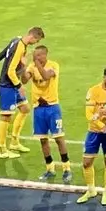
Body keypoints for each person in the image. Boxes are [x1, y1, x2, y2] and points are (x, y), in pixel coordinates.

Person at [0, 26, 45, 159]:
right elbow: (10, 71)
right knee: (6, 117)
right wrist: (19, 85)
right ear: (33, 37)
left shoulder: (17, 40)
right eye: (36, 41)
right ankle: (2, 149)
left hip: (13, 84)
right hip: (7, 85)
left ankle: (14, 142)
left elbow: (4, 52)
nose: (35, 44)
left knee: (25, 109)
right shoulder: (19, 47)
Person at [25, 44, 72, 184]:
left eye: (39, 55)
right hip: (38, 108)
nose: (37, 57)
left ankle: (66, 169)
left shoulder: (53, 66)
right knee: (43, 140)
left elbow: (45, 76)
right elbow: (24, 79)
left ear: (45, 55)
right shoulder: (32, 66)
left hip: (52, 107)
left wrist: (36, 64)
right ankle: (50, 169)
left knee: (59, 138)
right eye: (35, 55)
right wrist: (22, 67)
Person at [76, 66, 106, 205]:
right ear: (104, 77)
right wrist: (102, 126)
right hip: (94, 132)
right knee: (86, 163)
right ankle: (91, 190)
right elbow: (89, 114)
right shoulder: (93, 91)